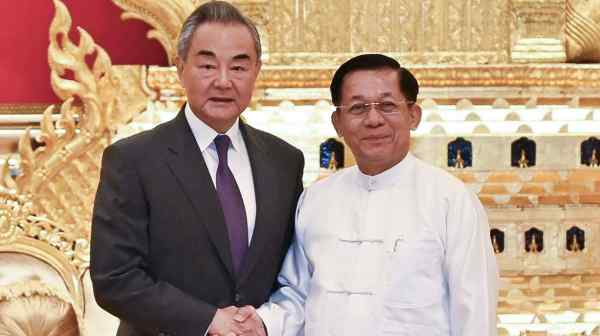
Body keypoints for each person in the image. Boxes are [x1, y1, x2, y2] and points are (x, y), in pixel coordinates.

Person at [90, 2, 304, 335]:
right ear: (180, 68)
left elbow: (292, 271)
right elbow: (115, 278)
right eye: (207, 65)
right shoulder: (133, 160)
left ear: (257, 71)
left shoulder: (284, 161)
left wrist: (264, 321)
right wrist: (207, 320)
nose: (223, 81)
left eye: (238, 67)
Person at [246, 54, 499, 336]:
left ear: (413, 115)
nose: (373, 119)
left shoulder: (451, 200)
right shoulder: (315, 200)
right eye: (357, 108)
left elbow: (475, 314)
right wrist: (259, 323)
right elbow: (297, 294)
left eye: (388, 106)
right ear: (337, 123)